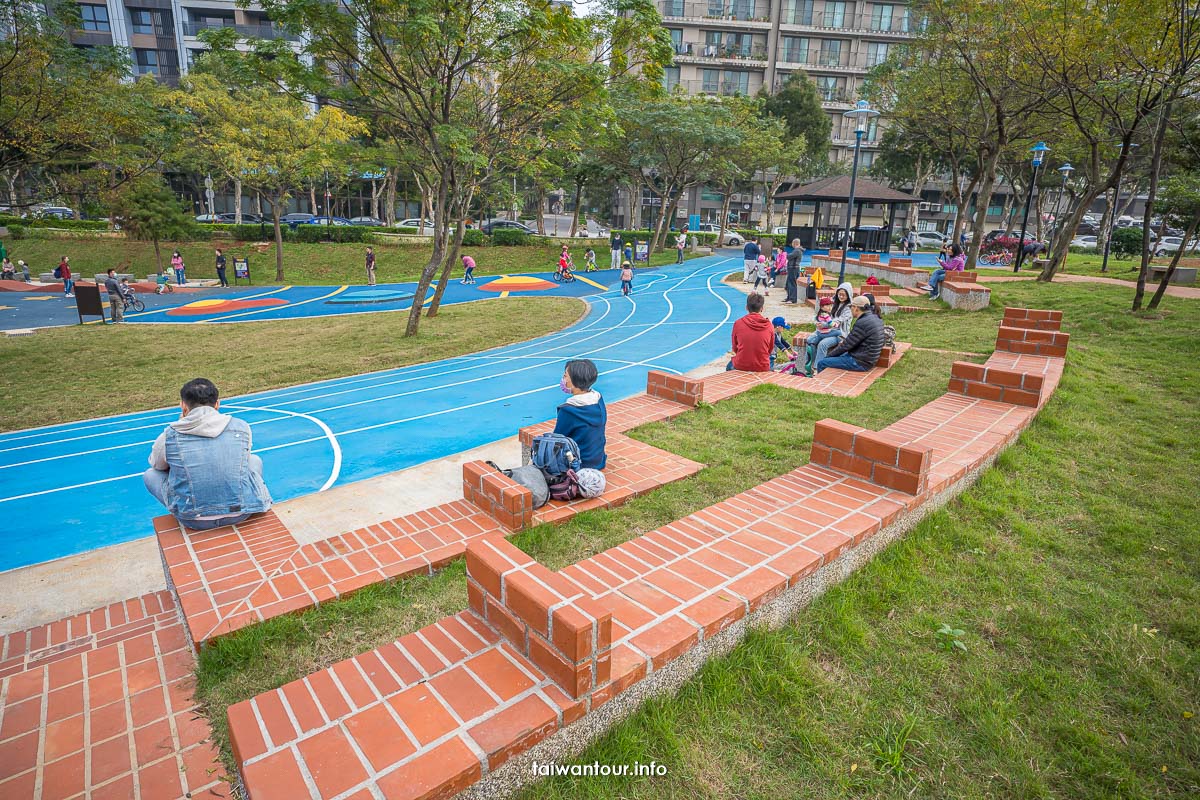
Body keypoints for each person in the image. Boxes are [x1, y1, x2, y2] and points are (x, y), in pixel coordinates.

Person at [143, 378, 273, 531]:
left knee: (150, 474)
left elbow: (157, 465)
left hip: (194, 519)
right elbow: (242, 461)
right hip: (240, 512)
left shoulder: (170, 434)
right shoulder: (241, 426)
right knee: (254, 460)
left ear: (183, 406)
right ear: (217, 404)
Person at [554, 359, 607, 470]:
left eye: (565, 376)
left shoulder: (569, 410)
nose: (563, 379)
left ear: (575, 381)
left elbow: (558, 439)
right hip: (598, 460)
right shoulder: (598, 399)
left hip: (579, 465)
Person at [817, 296, 885, 374]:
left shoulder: (863, 322)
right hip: (867, 358)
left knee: (822, 363)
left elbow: (846, 345)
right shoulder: (874, 317)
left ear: (856, 308)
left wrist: (828, 357)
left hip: (860, 362)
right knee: (836, 356)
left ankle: (822, 384)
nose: (850, 309)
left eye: (851, 307)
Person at [805, 283, 853, 376]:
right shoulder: (833, 303)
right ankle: (809, 363)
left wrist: (824, 324)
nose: (841, 296)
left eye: (844, 294)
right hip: (826, 331)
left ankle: (817, 368)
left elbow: (838, 321)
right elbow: (821, 312)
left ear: (848, 295)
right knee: (810, 340)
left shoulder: (849, 309)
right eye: (839, 294)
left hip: (838, 333)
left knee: (823, 344)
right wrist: (818, 323)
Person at [726, 292, 773, 372]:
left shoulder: (738, 323)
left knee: (729, 366)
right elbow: (769, 349)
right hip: (762, 365)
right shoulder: (769, 326)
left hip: (741, 365)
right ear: (762, 308)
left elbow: (735, 347)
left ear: (746, 307)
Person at [783, 239, 804, 304]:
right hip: (792, 268)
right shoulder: (797, 250)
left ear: (794, 243)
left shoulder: (797, 250)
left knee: (792, 284)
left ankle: (793, 299)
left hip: (794, 268)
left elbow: (789, 256)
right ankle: (789, 297)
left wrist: (786, 254)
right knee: (788, 283)